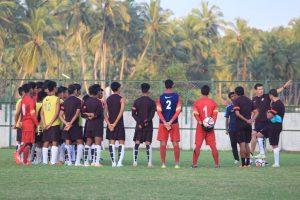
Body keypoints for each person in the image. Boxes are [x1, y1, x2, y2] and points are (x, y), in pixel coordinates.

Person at [251, 80, 292, 158]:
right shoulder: (254, 99)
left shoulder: (267, 96)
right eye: (259, 89)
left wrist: (284, 86)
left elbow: (276, 92)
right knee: (255, 135)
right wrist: (252, 119)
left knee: (263, 138)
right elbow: (253, 111)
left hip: (266, 121)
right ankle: (252, 154)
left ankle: (262, 155)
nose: (261, 90)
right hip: (258, 122)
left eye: (262, 89)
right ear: (256, 90)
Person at [192, 85, 219, 168]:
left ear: (201, 92)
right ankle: (217, 164)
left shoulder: (197, 102)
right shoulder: (213, 103)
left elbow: (196, 115)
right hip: (210, 128)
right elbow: (215, 116)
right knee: (213, 146)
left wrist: (201, 124)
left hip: (200, 128)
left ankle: (194, 164)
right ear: (209, 92)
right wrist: (211, 124)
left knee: (198, 146)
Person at [156, 79, 182, 169]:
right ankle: (177, 164)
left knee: (163, 143)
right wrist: (170, 122)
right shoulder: (177, 97)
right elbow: (178, 111)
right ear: (172, 85)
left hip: (162, 124)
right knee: (175, 143)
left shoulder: (160, 97)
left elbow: (159, 112)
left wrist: (164, 122)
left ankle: (163, 164)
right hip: (174, 123)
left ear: (165, 86)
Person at [257, 89, 285, 167]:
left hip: (275, 126)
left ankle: (276, 163)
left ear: (271, 95)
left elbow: (269, 116)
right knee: (259, 135)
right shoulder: (274, 103)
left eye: (269, 95)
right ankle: (262, 153)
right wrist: (269, 112)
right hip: (270, 125)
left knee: (274, 144)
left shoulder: (278, 104)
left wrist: (267, 112)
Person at [13, 83, 39, 165]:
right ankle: (17, 153)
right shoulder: (30, 100)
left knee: (28, 142)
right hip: (29, 123)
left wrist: (17, 122)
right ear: (30, 90)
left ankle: (25, 161)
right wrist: (37, 124)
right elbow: (32, 113)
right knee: (27, 142)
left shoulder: (23, 100)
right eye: (32, 88)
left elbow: (19, 112)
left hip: (24, 122)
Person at [82, 84, 107, 167]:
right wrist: (93, 115)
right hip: (97, 124)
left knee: (88, 142)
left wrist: (88, 115)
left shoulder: (86, 101)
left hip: (89, 124)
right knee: (97, 142)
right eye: (100, 90)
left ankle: (86, 162)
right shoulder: (99, 102)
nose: (101, 92)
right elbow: (99, 113)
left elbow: (82, 113)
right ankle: (96, 162)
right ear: (97, 91)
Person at [132, 83, 156, 167]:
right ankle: (149, 163)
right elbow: (152, 115)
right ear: (148, 90)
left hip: (139, 126)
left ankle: (135, 162)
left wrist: (139, 123)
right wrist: (147, 121)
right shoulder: (152, 102)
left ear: (141, 90)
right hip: (148, 125)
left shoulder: (136, 101)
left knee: (137, 142)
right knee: (148, 143)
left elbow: (133, 114)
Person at [59, 84, 84, 166]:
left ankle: (69, 162)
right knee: (80, 142)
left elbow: (60, 115)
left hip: (66, 125)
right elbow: (77, 113)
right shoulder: (78, 101)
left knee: (67, 142)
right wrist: (71, 123)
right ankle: (77, 162)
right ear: (75, 91)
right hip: (75, 125)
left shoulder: (64, 101)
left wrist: (66, 123)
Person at [233, 86, 257, 167]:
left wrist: (246, 120)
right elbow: (256, 112)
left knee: (242, 144)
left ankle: (243, 164)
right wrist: (251, 119)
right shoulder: (249, 100)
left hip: (240, 125)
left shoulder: (236, 101)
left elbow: (237, 113)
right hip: (248, 125)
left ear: (236, 93)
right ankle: (248, 163)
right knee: (247, 144)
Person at [105, 82, 126, 167]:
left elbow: (104, 113)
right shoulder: (121, 99)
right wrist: (115, 124)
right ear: (118, 89)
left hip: (110, 124)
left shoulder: (108, 99)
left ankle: (113, 163)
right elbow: (121, 112)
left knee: (111, 142)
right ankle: (119, 163)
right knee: (121, 142)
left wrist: (109, 124)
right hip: (119, 124)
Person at [41, 81, 61, 165]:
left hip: (46, 125)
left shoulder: (45, 99)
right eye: (55, 87)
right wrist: (50, 123)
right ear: (53, 88)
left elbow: (41, 113)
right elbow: (57, 112)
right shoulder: (57, 99)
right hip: (54, 124)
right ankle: (53, 162)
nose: (56, 88)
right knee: (54, 142)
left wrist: (44, 124)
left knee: (46, 142)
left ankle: (45, 162)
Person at [32, 91, 48, 164]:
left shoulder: (34, 104)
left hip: (35, 127)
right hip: (41, 127)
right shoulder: (43, 105)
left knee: (36, 143)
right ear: (43, 98)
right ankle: (38, 159)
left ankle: (35, 159)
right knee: (40, 144)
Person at [224, 92, 239, 164]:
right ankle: (236, 159)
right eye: (232, 96)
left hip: (240, 128)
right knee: (233, 144)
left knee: (243, 143)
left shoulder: (241, 106)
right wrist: (226, 129)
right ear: (230, 98)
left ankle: (246, 158)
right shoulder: (229, 107)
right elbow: (227, 119)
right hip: (232, 129)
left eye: (235, 95)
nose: (234, 97)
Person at [15, 86, 24, 153]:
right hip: (21, 124)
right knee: (21, 141)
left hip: (19, 124)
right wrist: (16, 123)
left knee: (19, 141)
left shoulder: (19, 101)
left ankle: (19, 155)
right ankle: (19, 155)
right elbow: (18, 113)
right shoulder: (21, 101)